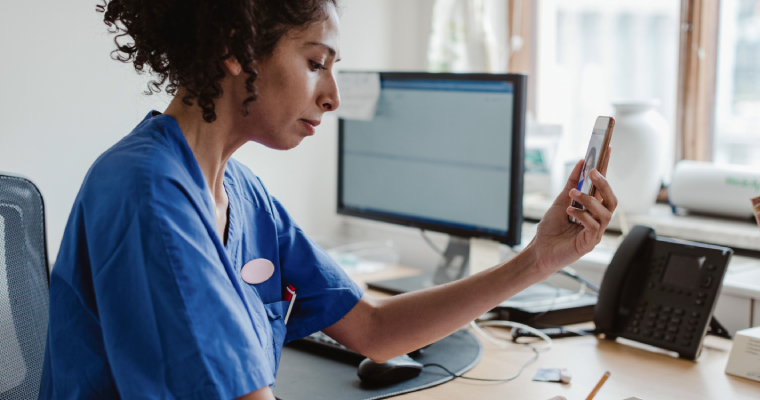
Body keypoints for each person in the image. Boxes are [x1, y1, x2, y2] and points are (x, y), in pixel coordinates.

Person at [38, 1, 617, 399]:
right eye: (316, 63)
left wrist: (538, 259)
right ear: (236, 48)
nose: (333, 96)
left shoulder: (241, 193)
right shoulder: (146, 193)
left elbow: (372, 329)